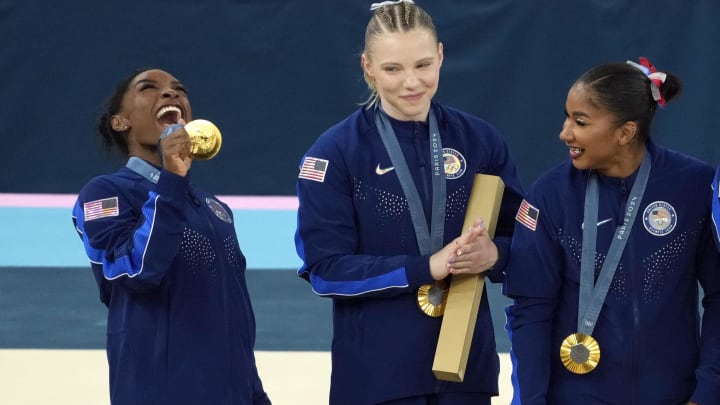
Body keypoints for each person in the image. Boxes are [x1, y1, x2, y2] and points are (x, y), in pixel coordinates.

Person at [293, 1, 525, 404]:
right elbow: (326, 269)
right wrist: (425, 268)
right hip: (377, 379)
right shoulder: (335, 153)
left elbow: (523, 238)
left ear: (440, 56)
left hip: (464, 372)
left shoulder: (480, 141)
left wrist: (495, 255)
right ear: (368, 67)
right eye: (392, 69)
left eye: (422, 65)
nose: (411, 83)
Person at [504, 57, 720, 404]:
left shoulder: (695, 187)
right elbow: (531, 310)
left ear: (625, 132)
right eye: (567, 117)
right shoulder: (550, 195)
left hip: (675, 396)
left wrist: (708, 392)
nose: (564, 132)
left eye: (580, 121)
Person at [71, 68, 271, 405]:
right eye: (149, 88)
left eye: (179, 89)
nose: (171, 94)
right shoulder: (105, 193)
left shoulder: (210, 204)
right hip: (160, 390)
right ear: (121, 122)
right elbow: (136, 271)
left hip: (231, 388)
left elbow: (232, 310)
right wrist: (172, 180)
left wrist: (253, 391)